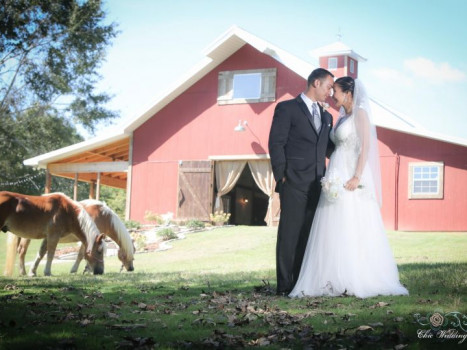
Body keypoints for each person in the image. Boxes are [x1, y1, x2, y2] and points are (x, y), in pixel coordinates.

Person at [289, 77, 409, 298]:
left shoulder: (360, 114)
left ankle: (356, 276)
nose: (332, 95)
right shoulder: (341, 117)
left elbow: (366, 147)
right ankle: (331, 277)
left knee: (351, 222)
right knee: (332, 224)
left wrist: (357, 176)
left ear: (348, 93)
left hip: (350, 175)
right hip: (335, 173)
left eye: (335, 91)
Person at [268, 68, 335, 296]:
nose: (330, 92)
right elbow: (276, 143)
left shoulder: (327, 117)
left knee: (308, 234)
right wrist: (281, 176)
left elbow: (329, 149)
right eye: (328, 87)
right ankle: (285, 286)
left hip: (318, 184)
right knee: (289, 234)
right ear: (316, 83)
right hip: (293, 182)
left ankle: (301, 283)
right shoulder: (287, 108)